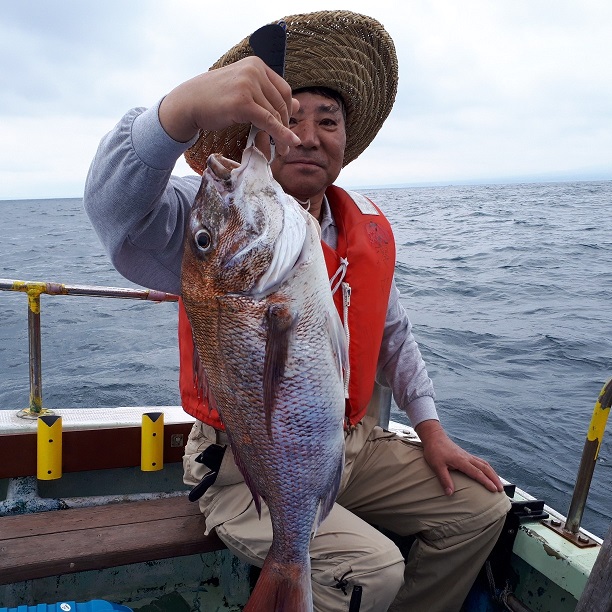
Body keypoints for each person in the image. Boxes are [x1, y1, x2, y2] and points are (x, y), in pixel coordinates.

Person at [84, 10, 511, 612]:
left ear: (345, 141)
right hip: (242, 464)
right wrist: (179, 111)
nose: (308, 136)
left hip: (348, 443)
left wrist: (431, 429)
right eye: (287, 119)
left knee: (483, 508)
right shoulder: (213, 216)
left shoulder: (359, 231)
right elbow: (113, 210)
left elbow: (393, 336)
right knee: (374, 572)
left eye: (327, 121)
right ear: (257, 131)